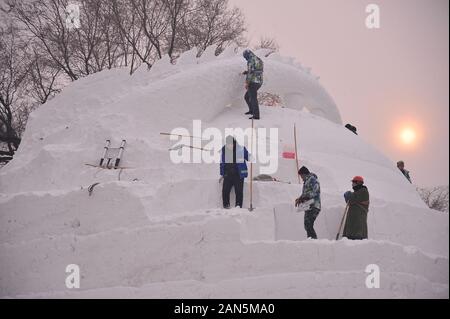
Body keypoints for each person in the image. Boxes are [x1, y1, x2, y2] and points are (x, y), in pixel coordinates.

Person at [220, 136, 250, 209]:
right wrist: (222, 174)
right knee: (225, 191)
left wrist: (248, 155)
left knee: (239, 191)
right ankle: (226, 205)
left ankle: (238, 206)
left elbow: (249, 157)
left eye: (231, 144)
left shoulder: (241, 149)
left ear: (234, 143)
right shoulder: (224, 150)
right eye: (228, 144)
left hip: (238, 175)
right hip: (228, 174)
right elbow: (222, 162)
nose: (230, 145)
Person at [295, 166, 321, 239]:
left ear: (304, 174)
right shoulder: (306, 181)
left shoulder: (312, 179)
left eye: (301, 176)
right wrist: (300, 198)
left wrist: (305, 197)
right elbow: (306, 193)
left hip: (314, 205)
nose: (301, 178)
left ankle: (314, 241)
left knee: (308, 224)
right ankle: (310, 240)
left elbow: (316, 191)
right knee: (307, 225)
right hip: (308, 205)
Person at [343, 176, 370, 240]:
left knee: (357, 238)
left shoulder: (364, 191)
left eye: (353, 182)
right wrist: (348, 196)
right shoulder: (357, 192)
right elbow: (349, 201)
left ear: (358, 182)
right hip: (353, 222)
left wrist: (349, 195)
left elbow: (352, 199)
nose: (352, 184)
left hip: (358, 223)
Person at [242, 49, 264, 120]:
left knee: (253, 98)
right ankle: (252, 111)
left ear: (247, 55)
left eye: (245, 57)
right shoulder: (258, 59)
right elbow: (256, 70)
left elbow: (250, 73)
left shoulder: (250, 60)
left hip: (253, 82)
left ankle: (256, 115)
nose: (245, 59)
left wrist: (246, 83)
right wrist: (246, 72)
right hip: (259, 82)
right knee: (247, 97)